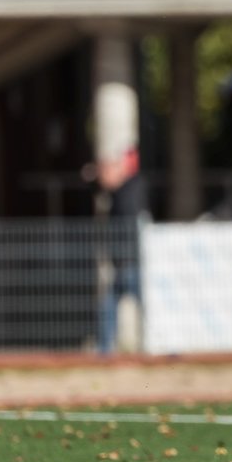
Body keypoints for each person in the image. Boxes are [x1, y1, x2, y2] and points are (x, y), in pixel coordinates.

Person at [89, 146, 147, 356]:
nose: (102, 176)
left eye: (105, 170)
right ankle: (105, 350)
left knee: (144, 305)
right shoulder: (121, 192)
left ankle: (106, 350)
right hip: (126, 263)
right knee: (109, 305)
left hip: (129, 262)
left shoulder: (128, 192)